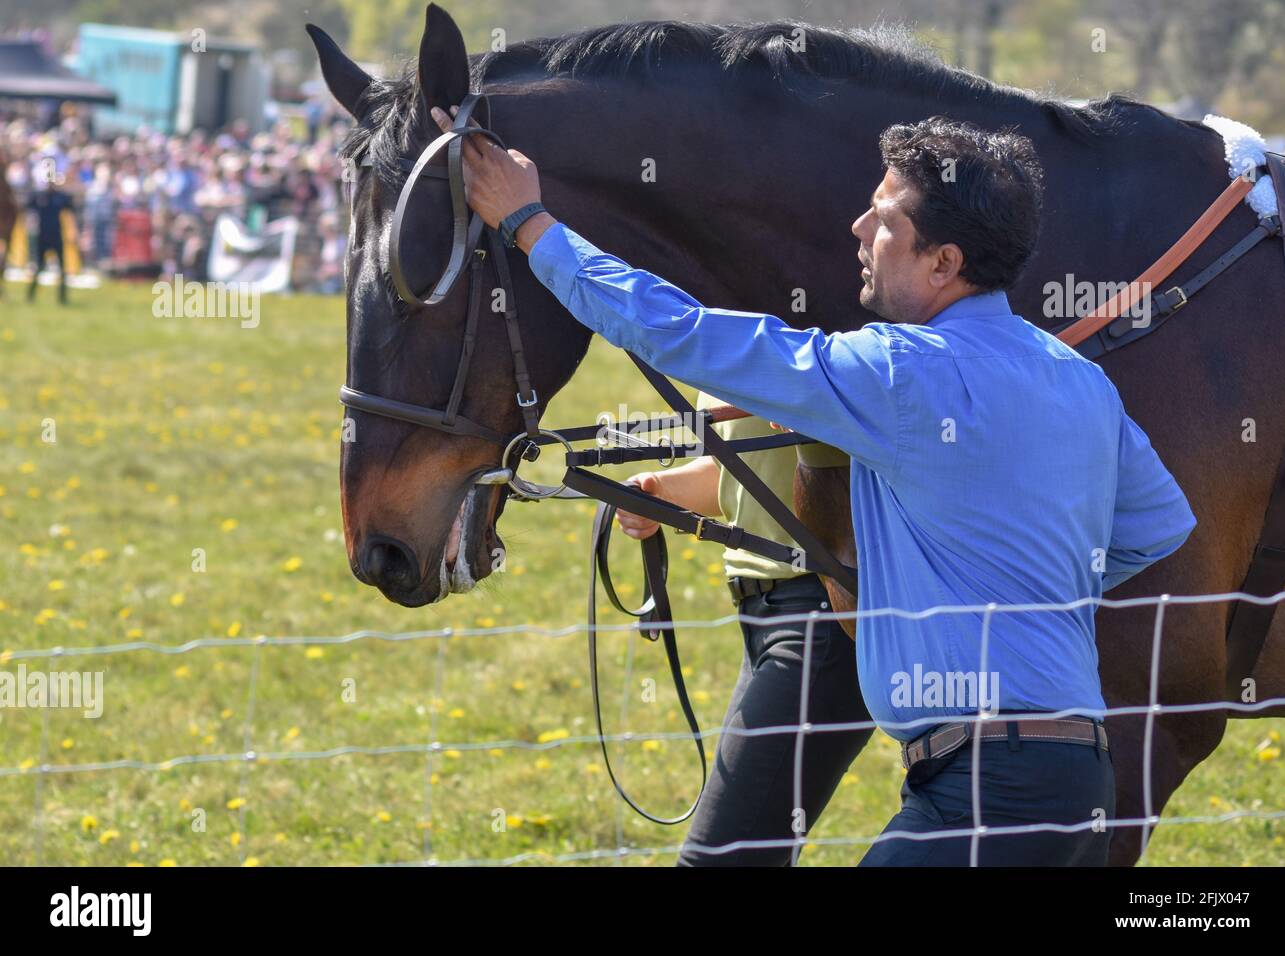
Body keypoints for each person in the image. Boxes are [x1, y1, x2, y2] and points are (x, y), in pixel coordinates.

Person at [433, 105, 1196, 866]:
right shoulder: (1078, 379)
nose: (860, 230)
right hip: (1073, 779)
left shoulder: (897, 372)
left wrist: (531, 224)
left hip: (988, 791)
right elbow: (1155, 525)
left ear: (943, 263)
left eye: (885, 218)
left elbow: (681, 333)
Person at [614, 395, 870, 866]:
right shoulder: (735, 331)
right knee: (755, 849)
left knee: (723, 857)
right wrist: (661, 492)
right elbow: (738, 473)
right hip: (762, 615)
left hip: (825, 615)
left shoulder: (811, 327)